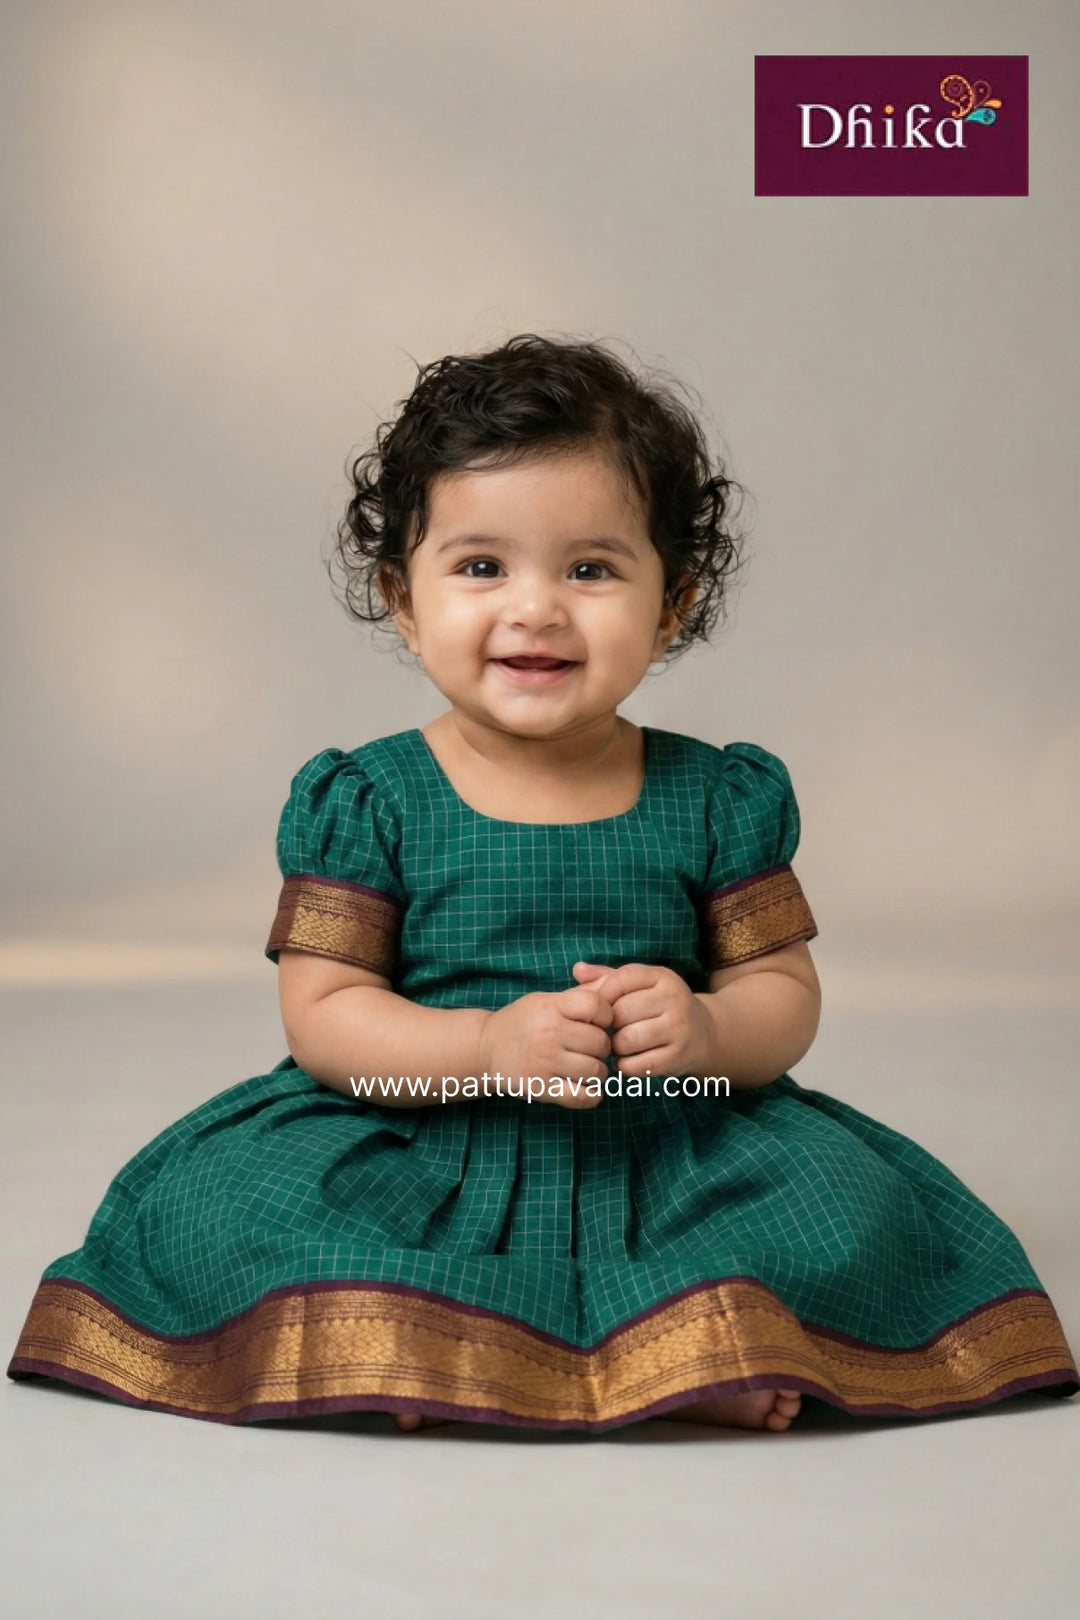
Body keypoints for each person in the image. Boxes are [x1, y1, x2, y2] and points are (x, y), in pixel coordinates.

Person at [8, 334, 1076, 1434]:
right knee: (229, 1207)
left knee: (846, 1212)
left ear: (671, 604)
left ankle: (720, 1343)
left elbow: (784, 1000)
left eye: (590, 568)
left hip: (668, 1131)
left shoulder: (717, 797)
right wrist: (484, 1046)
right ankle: (400, 1338)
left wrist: (707, 1030)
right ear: (404, 600)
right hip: (422, 1123)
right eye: (480, 567)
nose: (535, 609)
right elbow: (324, 1015)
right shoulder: (369, 799)